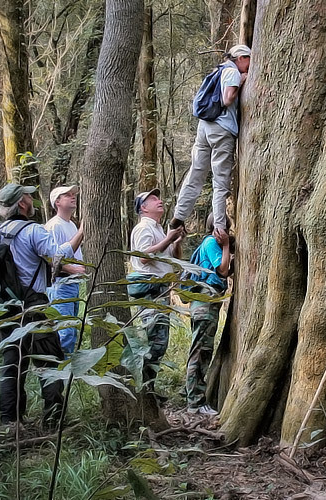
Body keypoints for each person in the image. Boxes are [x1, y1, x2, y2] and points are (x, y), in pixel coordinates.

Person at [0, 183, 83, 428]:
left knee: (12, 363)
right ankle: (53, 419)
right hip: (34, 305)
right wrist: (82, 233)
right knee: (49, 361)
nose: (32, 199)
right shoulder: (33, 230)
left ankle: (10, 421)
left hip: (4, 307)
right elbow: (58, 258)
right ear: (21, 203)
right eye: (29, 196)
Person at [170, 44, 251, 234]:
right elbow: (227, 98)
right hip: (221, 129)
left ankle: (179, 216)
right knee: (220, 180)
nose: (250, 65)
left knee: (196, 172)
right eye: (248, 59)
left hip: (205, 127)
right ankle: (220, 227)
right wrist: (240, 82)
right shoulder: (232, 72)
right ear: (240, 58)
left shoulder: (219, 69)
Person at [129, 189, 185, 387]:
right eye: (153, 199)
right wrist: (168, 239)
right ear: (143, 208)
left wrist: (175, 241)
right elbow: (143, 256)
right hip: (150, 291)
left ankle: (149, 388)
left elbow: (174, 257)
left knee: (160, 341)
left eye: (158, 197)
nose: (159, 201)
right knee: (153, 341)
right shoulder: (143, 228)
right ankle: (145, 390)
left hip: (161, 289)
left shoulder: (159, 230)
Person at [185, 214, 232, 415]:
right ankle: (195, 403)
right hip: (205, 302)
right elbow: (222, 270)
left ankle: (192, 395)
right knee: (200, 352)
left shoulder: (209, 243)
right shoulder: (212, 242)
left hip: (203, 302)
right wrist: (227, 245)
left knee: (201, 350)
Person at [45, 185, 85, 355]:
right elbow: (51, 258)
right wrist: (73, 270)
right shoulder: (54, 226)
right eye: (67, 195)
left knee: (71, 328)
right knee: (64, 330)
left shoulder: (72, 225)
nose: (72, 197)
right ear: (57, 202)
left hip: (72, 285)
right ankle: (58, 369)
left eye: (73, 194)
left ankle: (66, 365)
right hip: (61, 284)